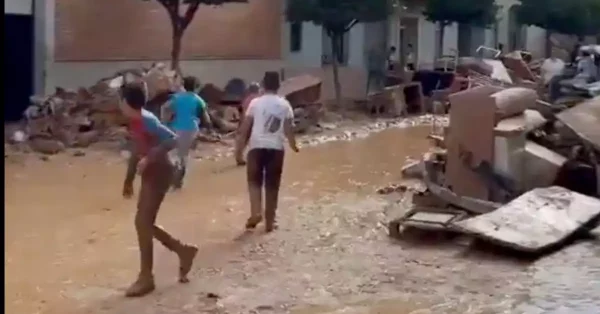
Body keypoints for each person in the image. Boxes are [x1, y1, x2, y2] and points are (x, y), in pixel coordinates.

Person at [120, 82, 198, 297]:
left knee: (142, 223)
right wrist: (128, 179)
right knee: (143, 223)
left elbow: (172, 139)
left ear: (127, 103)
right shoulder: (136, 121)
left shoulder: (147, 120)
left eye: (121, 100)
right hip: (151, 173)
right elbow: (137, 149)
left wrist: (149, 158)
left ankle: (147, 277)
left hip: (161, 172)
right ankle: (182, 251)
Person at [235, 71, 299, 232]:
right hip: (276, 149)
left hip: (256, 148)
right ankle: (270, 223)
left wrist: (239, 150)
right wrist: (294, 145)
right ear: (278, 86)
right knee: (272, 186)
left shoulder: (255, 103)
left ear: (263, 85)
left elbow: (245, 128)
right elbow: (288, 130)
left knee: (254, 182)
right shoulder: (285, 104)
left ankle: (256, 212)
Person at [166, 76, 212, 189]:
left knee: (175, 154)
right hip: (191, 129)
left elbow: (165, 108)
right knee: (184, 155)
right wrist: (210, 128)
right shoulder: (198, 99)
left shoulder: (176, 98)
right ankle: (178, 182)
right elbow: (206, 117)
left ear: (184, 86)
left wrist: (166, 121)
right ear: (196, 87)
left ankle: (175, 179)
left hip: (175, 128)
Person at [236, 82, 261, 166]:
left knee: (243, 140)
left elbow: (242, 111)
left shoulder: (246, 99)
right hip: (254, 121)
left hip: (245, 121)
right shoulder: (258, 99)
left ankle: (239, 157)